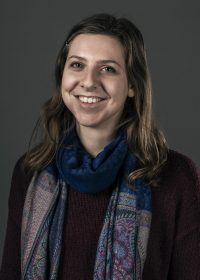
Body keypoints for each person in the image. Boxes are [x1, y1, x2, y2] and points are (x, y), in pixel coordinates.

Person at [0, 13, 200, 280]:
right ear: (63, 76)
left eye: (108, 69)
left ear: (132, 85)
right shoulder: (30, 171)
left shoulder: (176, 176)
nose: (89, 81)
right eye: (77, 65)